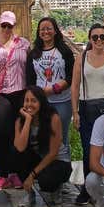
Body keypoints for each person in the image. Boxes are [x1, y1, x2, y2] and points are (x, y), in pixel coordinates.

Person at [71, 23, 104, 205]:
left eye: (102, 37)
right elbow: (75, 86)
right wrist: (75, 112)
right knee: (88, 150)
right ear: (90, 39)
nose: (99, 40)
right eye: (95, 37)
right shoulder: (81, 58)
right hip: (87, 108)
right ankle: (88, 189)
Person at [0, 11, 31, 192]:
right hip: (0, 94)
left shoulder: (24, 45)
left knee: (19, 133)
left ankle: (17, 173)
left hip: (20, 92)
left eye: (9, 26)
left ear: (14, 26)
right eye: (4, 25)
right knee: (3, 134)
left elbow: (30, 70)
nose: (6, 29)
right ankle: (4, 174)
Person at [13, 86, 73, 207]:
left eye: (33, 101)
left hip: (58, 161)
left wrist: (32, 175)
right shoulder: (21, 120)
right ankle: (30, 194)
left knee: (46, 182)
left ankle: (56, 188)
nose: (29, 104)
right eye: (27, 100)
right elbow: (19, 148)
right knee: (14, 154)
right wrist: (28, 120)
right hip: (39, 157)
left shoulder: (52, 118)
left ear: (41, 102)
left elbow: (53, 153)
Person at [26, 17, 75, 152]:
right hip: (41, 103)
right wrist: (38, 94)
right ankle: (44, 170)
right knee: (41, 138)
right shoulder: (33, 53)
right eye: (42, 29)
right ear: (38, 32)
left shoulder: (64, 51)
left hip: (62, 101)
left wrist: (55, 88)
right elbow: (29, 80)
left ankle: (63, 169)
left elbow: (72, 76)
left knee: (61, 138)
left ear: (55, 31)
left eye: (49, 29)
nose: (45, 32)